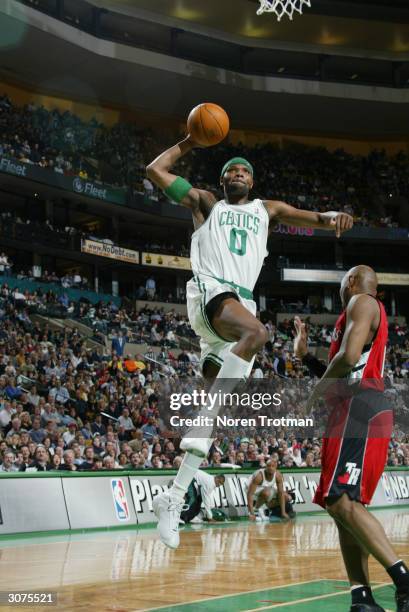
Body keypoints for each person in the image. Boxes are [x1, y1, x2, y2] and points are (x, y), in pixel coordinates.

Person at [147, 133, 353, 549]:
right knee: (258, 334)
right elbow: (155, 171)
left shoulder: (267, 210)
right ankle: (199, 431)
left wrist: (335, 216)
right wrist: (190, 141)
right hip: (212, 293)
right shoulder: (207, 203)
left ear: (252, 182)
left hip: (234, 307)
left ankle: (174, 494)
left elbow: (312, 218)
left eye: (244, 171)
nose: (237, 174)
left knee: (219, 407)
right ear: (222, 182)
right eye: (230, 171)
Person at [294, 265, 409, 612]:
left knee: (341, 501)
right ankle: (362, 596)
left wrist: (313, 395)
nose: (341, 282)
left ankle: (404, 581)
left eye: (343, 277)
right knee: (341, 508)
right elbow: (344, 368)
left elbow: (348, 358)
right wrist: (306, 358)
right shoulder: (356, 311)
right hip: (352, 406)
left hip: (360, 407)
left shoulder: (362, 301)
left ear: (355, 281)